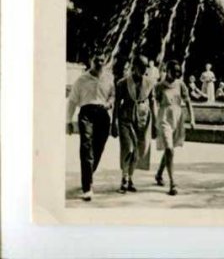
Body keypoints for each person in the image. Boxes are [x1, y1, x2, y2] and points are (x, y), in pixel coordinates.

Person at [66, 52, 114, 201]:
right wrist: (68, 121)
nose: (99, 62)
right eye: (96, 60)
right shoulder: (81, 80)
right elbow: (72, 101)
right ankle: (87, 187)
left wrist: (109, 103)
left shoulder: (109, 78)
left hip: (103, 115)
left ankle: (88, 174)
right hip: (86, 114)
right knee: (86, 148)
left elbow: (112, 95)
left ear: (105, 61)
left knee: (98, 149)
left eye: (102, 60)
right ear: (91, 61)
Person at [111, 54, 157, 193]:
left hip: (143, 119)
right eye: (142, 67)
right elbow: (117, 104)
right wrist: (114, 123)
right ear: (134, 67)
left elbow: (153, 102)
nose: (144, 71)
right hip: (126, 118)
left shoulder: (150, 83)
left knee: (139, 151)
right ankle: (124, 178)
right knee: (128, 149)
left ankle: (130, 178)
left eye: (146, 68)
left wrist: (154, 123)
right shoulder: (122, 83)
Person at [154, 60, 195, 196]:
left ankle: (159, 174)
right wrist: (154, 120)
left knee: (169, 149)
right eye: (174, 71)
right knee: (169, 149)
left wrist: (192, 119)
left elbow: (188, 101)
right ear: (167, 69)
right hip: (164, 118)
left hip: (177, 118)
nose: (176, 74)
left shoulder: (180, 84)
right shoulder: (159, 86)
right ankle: (172, 183)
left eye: (178, 72)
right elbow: (154, 103)